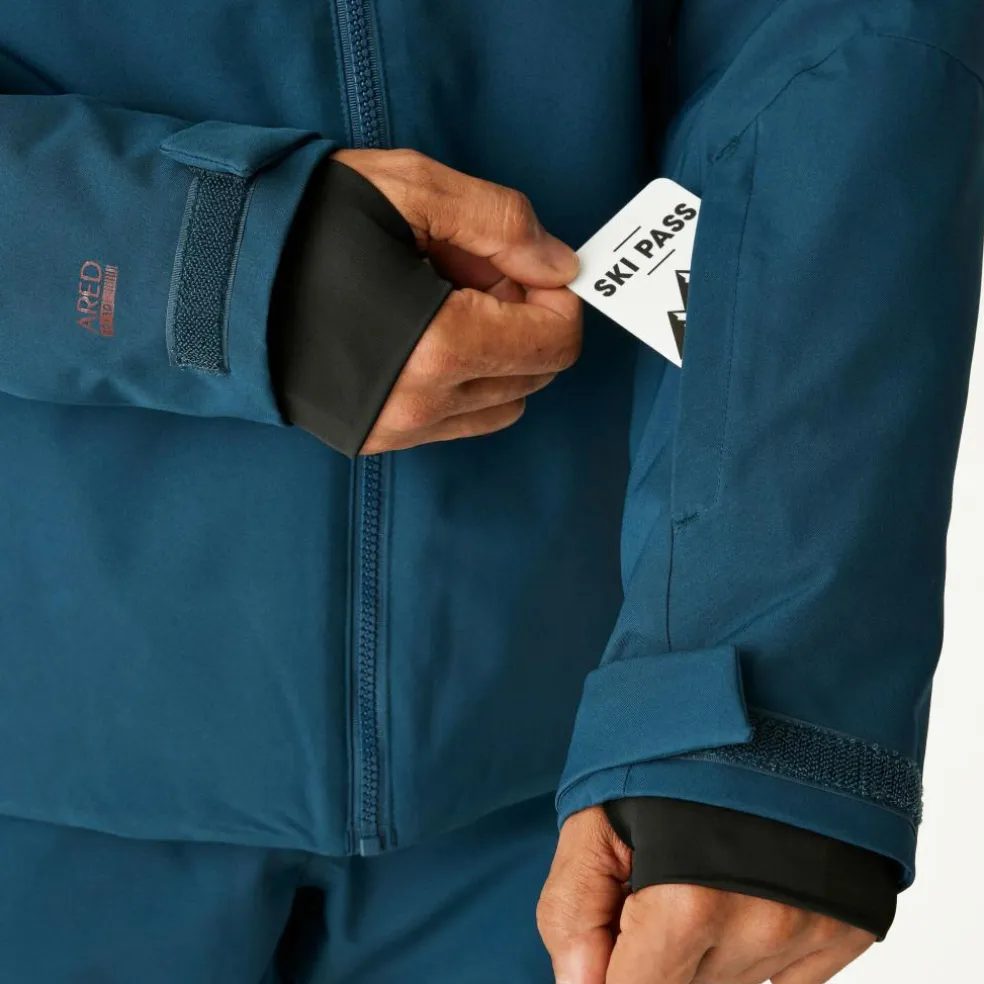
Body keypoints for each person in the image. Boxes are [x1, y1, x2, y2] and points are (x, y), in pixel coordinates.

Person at [0, 0, 981, 981]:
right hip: (39, 784)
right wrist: (204, 261)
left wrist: (759, 703)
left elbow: (839, 36)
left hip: (587, 801)